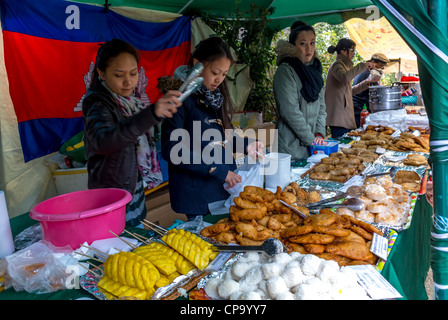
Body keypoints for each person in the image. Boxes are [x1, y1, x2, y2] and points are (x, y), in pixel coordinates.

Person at [160, 36, 264, 219]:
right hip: (197, 193)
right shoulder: (179, 99)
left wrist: (246, 145)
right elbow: (173, 150)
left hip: (220, 188)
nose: (219, 80)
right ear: (197, 64)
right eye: (216, 72)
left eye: (224, 74)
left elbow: (226, 136)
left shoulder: (214, 97)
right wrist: (217, 169)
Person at [82, 39, 182, 226]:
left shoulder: (131, 102)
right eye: (119, 75)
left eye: (133, 73)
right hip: (112, 191)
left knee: (135, 236)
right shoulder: (97, 103)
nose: (128, 81)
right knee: (118, 242)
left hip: (132, 184)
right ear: (101, 73)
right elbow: (104, 141)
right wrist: (150, 114)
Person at [273, 21, 327, 161]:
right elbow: (289, 111)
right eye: (303, 43)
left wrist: (319, 134)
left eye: (312, 43)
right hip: (290, 148)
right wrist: (311, 140)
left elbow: (321, 107)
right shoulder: (286, 71)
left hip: (313, 144)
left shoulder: (315, 71)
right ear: (293, 46)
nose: (309, 49)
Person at [325, 38, 379, 139]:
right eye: (352, 50)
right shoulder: (337, 65)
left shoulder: (345, 67)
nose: (354, 53)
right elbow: (345, 77)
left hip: (344, 116)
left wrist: (367, 83)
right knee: (341, 146)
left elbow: (350, 91)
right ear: (343, 51)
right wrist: (363, 65)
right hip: (338, 117)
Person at [352, 53, 390, 127]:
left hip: (359, 107)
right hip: (359, 108)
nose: (382, 68)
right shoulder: (369, 73)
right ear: (373, 62)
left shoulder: (365, 71)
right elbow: (376, 91)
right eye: (380, 65)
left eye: (383, 66)